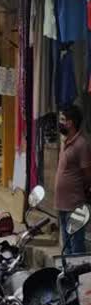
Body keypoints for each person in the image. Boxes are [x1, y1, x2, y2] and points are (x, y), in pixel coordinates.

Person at [55, 104, 91, 254]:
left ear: (71, 123)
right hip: (61, 204)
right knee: (66, 244)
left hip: (75, 204)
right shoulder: (65, 141)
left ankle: (78, 277)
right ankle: (68, 276)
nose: (60, 122)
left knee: (76, 245)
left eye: (63, 119)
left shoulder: (81, 144)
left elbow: (88, 175)